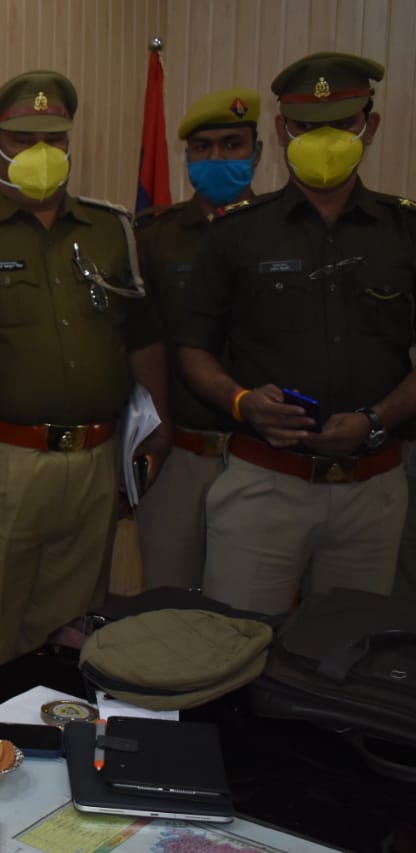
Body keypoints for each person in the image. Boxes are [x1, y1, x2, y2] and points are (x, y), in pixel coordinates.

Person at [0, 70, 170, 684]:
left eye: (54, 139)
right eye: (23, 140)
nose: (40, 152)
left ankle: (60, 737)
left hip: (94, 462)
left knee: (73, 638)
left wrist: (161, 429)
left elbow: (142, 337)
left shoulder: (113, 231)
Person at [178, 52, 415, 614]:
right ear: (283, 130)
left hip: (373, 489)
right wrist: (241, 402)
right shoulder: (236, 233)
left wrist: (377, 419)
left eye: (341, 124)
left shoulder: (406, 231)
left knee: (350, 650)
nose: (324, 141)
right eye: (307, 127)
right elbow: (193, 349)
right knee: (236, 644)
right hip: (265, 483)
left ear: (370, 126)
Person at [134, 88, 262, 590]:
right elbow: (137, 341)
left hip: (262, 458)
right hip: (180, 455)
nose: (217, 158)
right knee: (167, 603)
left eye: (232, 144)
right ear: (186, 157)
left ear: (257, 151)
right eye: (202, 147)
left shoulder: (280, 232)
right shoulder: (154, 237)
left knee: (246, 611)